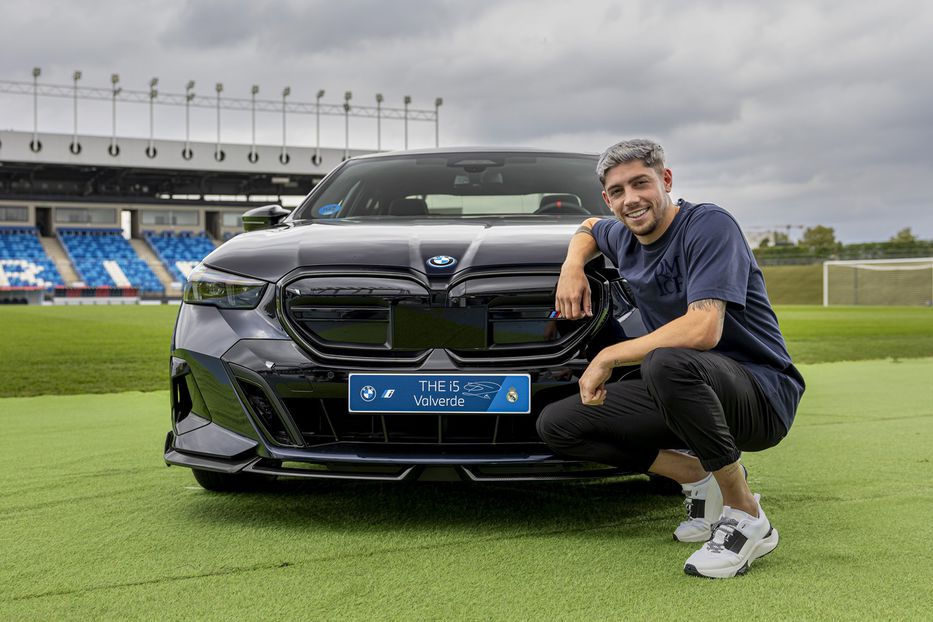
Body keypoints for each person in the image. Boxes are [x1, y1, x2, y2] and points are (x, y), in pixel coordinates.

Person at [537, 139, 805, 578]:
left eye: (641, 183)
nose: (631, 199)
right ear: (609, 199)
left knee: (666, 360)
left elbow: (703, 329)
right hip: (688, 388)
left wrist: (609, 355)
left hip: (760, 393)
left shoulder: (709, 225)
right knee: (560, 425)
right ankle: (697, 476)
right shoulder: (620, 233)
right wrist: (571, 267)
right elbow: (588, 226)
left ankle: (747, 514)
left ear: (665, 180)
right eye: (618, 191)